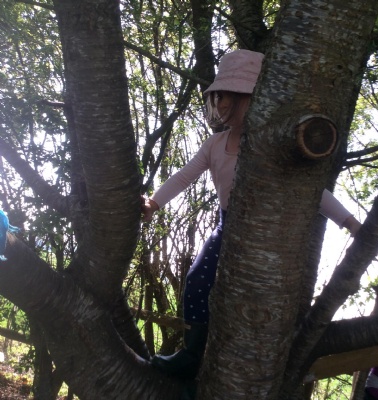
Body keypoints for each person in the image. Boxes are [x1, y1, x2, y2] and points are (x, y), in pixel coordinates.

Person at [141, 49, 361, 380]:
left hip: (266, 237)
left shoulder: (272, 146)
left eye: (232, 97)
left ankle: (226, 364)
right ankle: (193, 354)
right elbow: (184, 177)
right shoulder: (215, 144)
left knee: (248, 303)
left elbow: (314, 193)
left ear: (255, 100)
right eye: (218, 97)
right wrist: (154, 203)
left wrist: (349, 222)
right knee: (198, 280)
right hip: (226, 226)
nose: (221, 105)